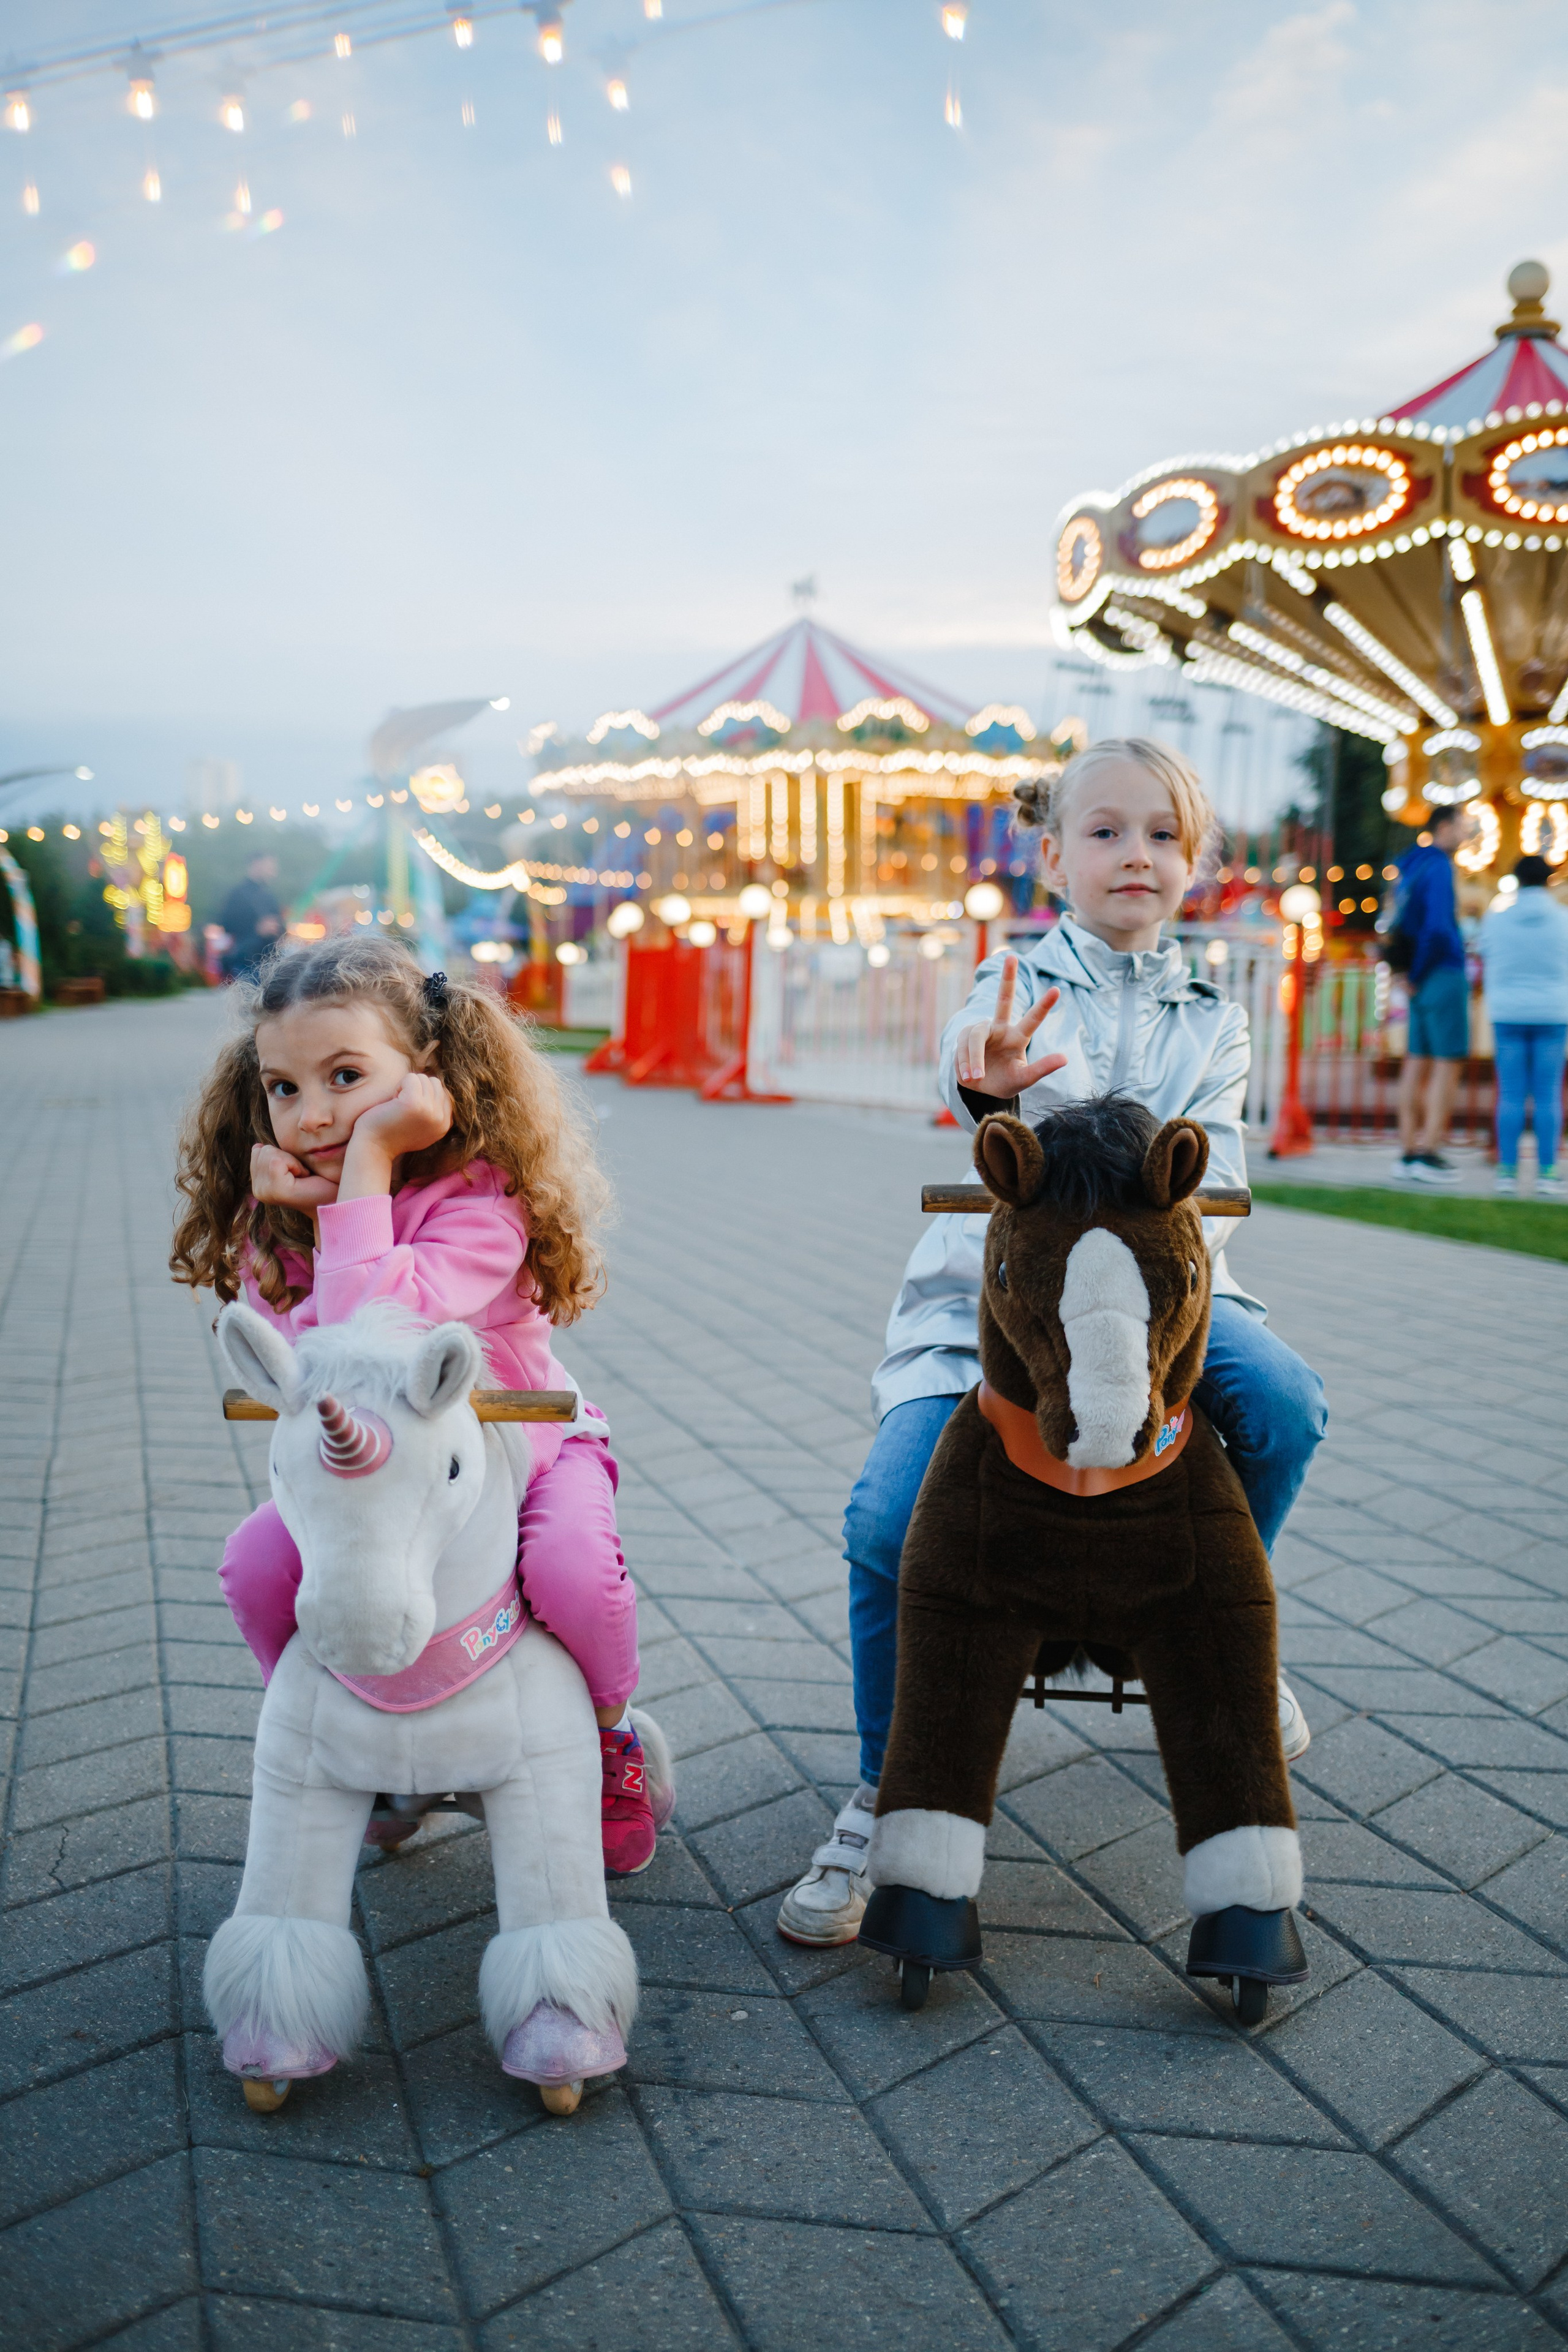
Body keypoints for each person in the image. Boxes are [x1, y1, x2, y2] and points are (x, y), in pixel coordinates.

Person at [776, 737, 1328, 1950]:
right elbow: (975, 1073)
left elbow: (1214, 1183)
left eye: (1161, 835)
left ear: (1193, 864)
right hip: (1001, 1316)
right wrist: (991, 1099)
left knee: (1284, 1403)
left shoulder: (1213, 1021)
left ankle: (1221, 1625)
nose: (1135, 854)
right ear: (1050, 858)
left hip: (1168, 1310)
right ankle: (882, 1788)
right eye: (1104, 831)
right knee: (884, 1519)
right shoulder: (1008, 984)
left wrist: (1154, 1249)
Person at [169, 932, 660, 1872]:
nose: (312, 1115)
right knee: (254, 1569)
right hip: (371, 1477)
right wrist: (309, 1208)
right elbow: (316, 1371)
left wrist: (364, 1172)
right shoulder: (275, 1219)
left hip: (530, 1450)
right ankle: (337, 1731)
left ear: (424, 1078)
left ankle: (611, 1736)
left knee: (573, 1572)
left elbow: (370, 1328)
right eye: (284, 1088)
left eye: (346, 1077)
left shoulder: (485, 1201)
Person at [1393, 806, 1476, 1185]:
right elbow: (1439, 927)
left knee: (1417, 1060)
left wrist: (1407, 973)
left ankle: (1409, 1148)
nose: (1467, 831)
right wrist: (1423, 970)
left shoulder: (1412, 864)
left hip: (1415, 974)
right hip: (1440, 972)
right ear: (1444, 827)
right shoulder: (1441, 866)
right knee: (1448, 1062)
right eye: (1462, 825)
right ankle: (1429, 1148)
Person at [1479, 853, 1568, 1199]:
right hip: (1552, 1013)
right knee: (1548, 1095)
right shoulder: (1563, 919)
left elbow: (1484, 955)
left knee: (1511, 1095)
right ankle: (1547, 1172)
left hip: (1508, 1013)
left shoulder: (1495, 920)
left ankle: (1507, 1171)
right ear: (1548, 880)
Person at [218, 854, 285, 982]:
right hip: (247, 959)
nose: (273, 870)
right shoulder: (237, 894)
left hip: (270, 958)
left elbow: (281, 925)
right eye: (269, 866)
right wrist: (256, 929)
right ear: (256, 864)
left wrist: (277, 927)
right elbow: (226, 924)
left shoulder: (269, 895)